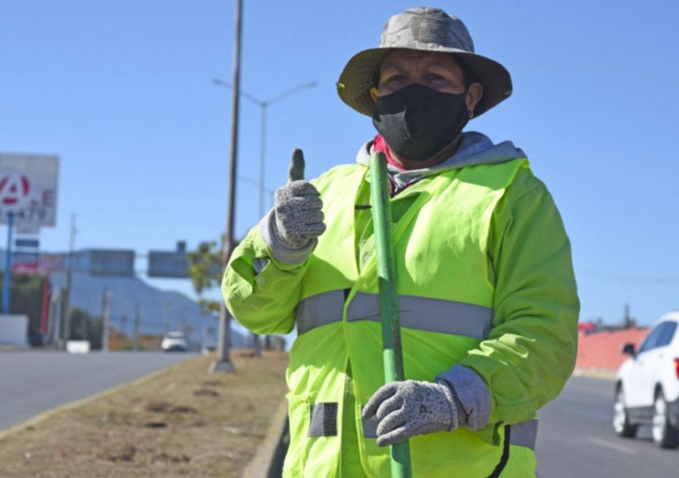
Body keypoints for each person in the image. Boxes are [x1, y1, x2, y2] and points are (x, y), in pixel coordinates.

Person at [222, 7, 579, 478]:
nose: (413, 92)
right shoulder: (326, 194)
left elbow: (544, 335)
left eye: (435, 77)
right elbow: (253, 310)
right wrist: (281, 245)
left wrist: (454, 397)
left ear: (470, 97)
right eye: (396, 79)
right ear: (374, 98)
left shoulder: (512, 197)